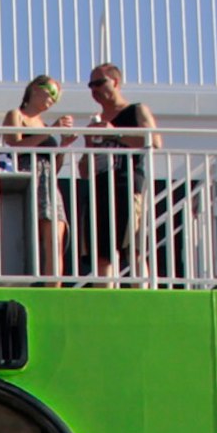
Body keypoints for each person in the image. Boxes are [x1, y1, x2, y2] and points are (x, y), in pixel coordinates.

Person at [80, 63, 157, 283]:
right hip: (99, 188)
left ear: (115, 82)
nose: (93, 89)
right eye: (90, 85)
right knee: (102, 253)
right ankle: (106, 299)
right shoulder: (95, 123)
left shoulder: (136, 110)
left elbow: (154, 141)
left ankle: (142, 298)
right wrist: (88, 143)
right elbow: (84, 171)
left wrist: (115, 133)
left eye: (99, 82)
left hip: (127, 183)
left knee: (133, 248)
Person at [0, 76, 81, 280]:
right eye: (51, 92)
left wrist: (63, 144)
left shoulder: (45, 125)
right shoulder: (16, 115)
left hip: (47, 180)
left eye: (57, 97)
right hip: (26, 177)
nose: (54, 98)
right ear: (35, 88)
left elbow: (55, 166)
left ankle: (54, 289)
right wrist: (50, 131)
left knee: (55, 239)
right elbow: (15, 147)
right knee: (27, 237)